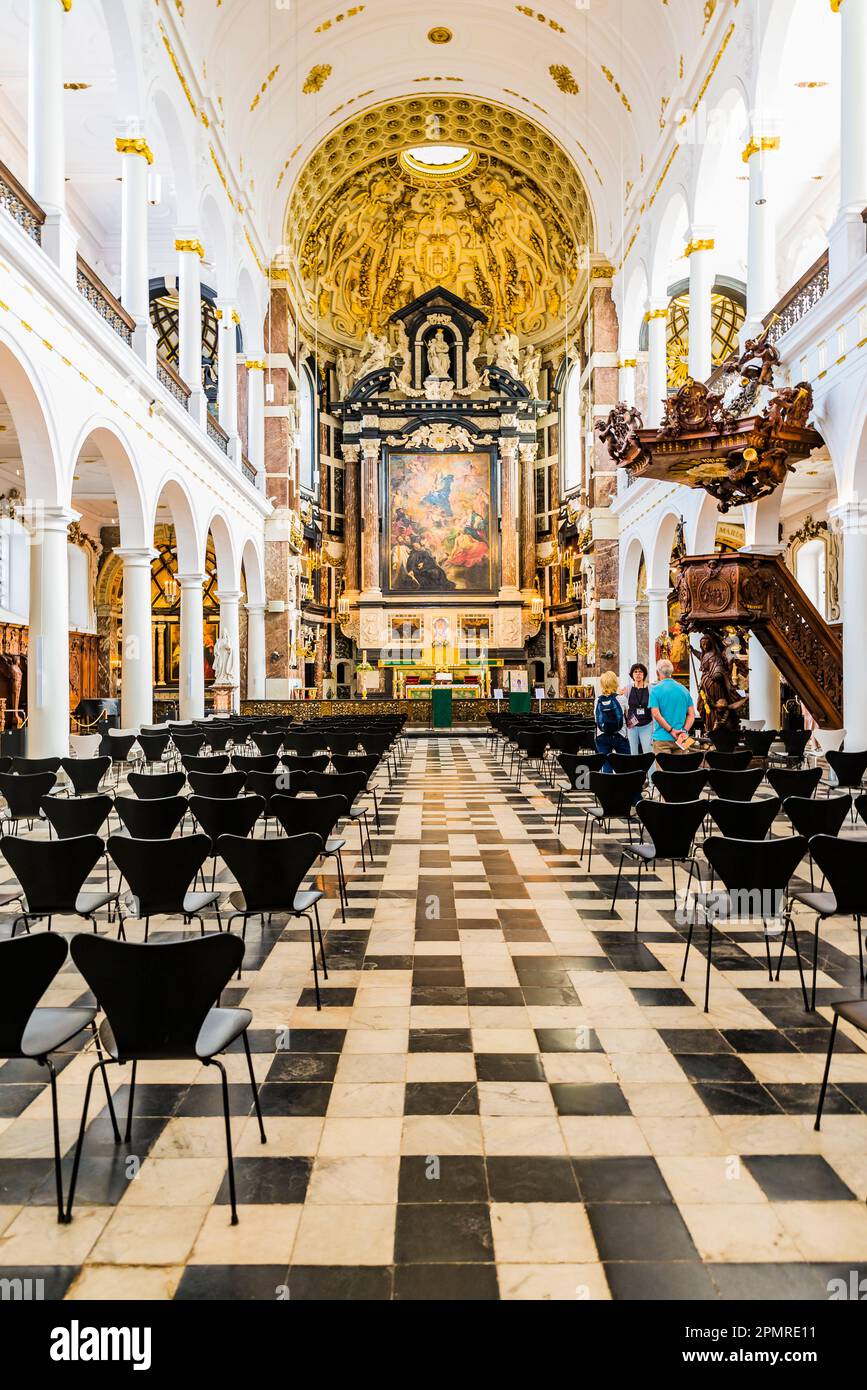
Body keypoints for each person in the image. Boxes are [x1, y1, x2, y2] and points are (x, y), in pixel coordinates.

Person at [649, 659, 696, 755]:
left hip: (662, 738)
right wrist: (684, 731)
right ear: (672, 671)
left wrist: (671, 730)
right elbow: (691, 715)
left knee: (663, 769)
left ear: (657, 672)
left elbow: (656, 715)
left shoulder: (655, 690)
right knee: (679, 769)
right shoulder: (684, 689)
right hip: (681, 738)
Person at [595, 670, 629, 772]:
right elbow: (627, 716)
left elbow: (596, 719)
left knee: (606, 765)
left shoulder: (597, 700)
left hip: (602, 735)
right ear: (615, 683)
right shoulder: (622, 699)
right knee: (624, 764)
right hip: (620, 735)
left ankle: (608, 786)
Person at [621, 662, 653, 755]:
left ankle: (651, 770)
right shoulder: (628, 689)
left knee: (648, 753)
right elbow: (623, 707)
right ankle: (634, 769)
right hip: (632, 725)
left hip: (647, 725)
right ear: (632, 674)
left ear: (644, 674)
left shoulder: (650, 688)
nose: (638, 674)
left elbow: (654, 708)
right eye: (635, 672)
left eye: (640, 672)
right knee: (633, 753)